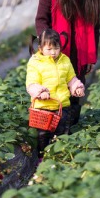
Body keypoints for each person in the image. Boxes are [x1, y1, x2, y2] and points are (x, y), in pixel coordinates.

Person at [35, 0, 100, 124]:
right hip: (56, 52)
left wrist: (91, 57)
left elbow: (95, 26)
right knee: (53, 92)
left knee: (75, 92)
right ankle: (50, 136)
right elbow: (41, 20)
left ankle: (69, 134)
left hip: (79, 54)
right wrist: (47, 44)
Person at [26, 28, 85, 161]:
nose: (53, 52)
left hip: (61, 105)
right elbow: (31, 83)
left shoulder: (65, 60)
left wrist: (77, 88)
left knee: (62, 132)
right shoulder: (36, 62)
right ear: (41, 48)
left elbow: (71, 79)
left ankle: (59, 156)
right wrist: (41, 92)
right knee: (43, 135)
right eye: (49, 49)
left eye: (56, 48)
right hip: (43, 107)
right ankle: (42, 158)